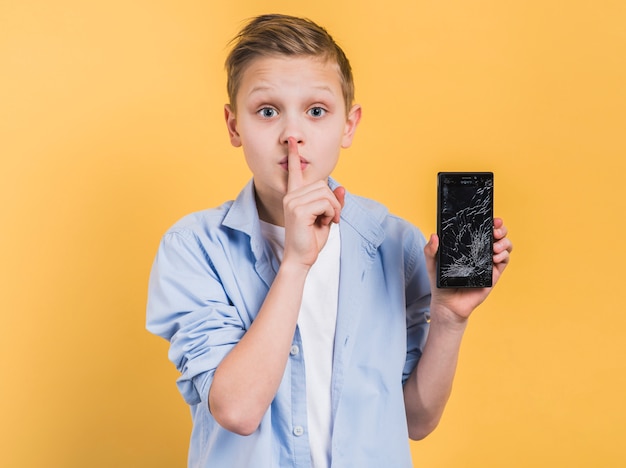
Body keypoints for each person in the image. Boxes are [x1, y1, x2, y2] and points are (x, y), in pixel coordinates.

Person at [146, 13, 512, 468]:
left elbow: (415, 420)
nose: (292, 135)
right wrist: (296, 263)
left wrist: (449, 318)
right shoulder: (194, 248)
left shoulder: (394, 244)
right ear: (234, 126)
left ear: (349, 125)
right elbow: (237, 411)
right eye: (267, 111)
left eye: (316, 111)